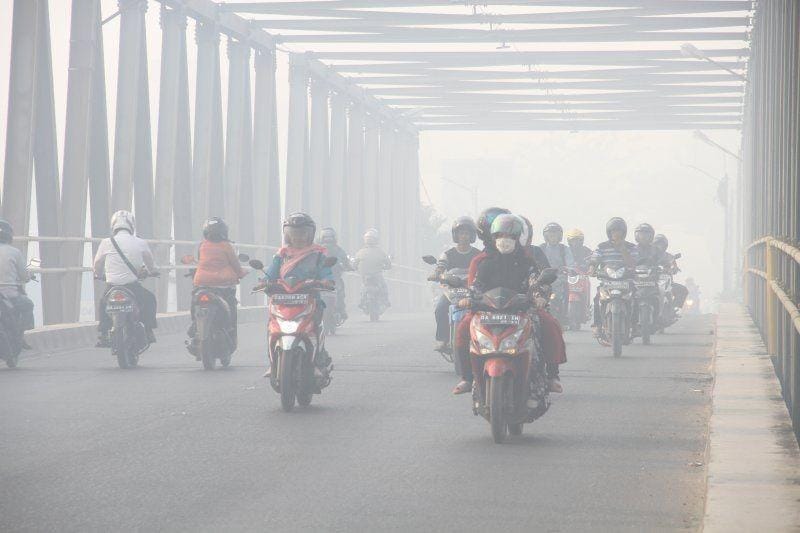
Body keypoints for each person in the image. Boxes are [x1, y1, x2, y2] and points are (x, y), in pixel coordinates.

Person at [473, 214, 566, 392]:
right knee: (464, 326)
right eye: (500, 236)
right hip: (489, 312)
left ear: (518, 239)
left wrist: (539, 297)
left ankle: (553, 374)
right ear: (494, 239)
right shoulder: (485, 263)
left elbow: (535, 281)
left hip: (522, 310)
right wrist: (469, 298)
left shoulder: (527, 262)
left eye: (509, 237)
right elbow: (476, 285)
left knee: (550, 324)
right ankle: (468, 377)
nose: (504, 241)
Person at [261, 213, 334, 376]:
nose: (298, 238)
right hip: (284, 297)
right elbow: (272, 273)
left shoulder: (318, 253)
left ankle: (318, 361)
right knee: (272, 327)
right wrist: (264, 282)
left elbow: (325, 271)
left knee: (315, 325)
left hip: (309, 296)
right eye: (294, 234)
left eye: (303, 234)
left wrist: (327, 281)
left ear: (310, 234)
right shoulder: (282, 254)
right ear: (288, 235)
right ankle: (273, 363)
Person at [93, 210, 158, 346]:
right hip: (131, 286)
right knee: (150, 299)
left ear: (113, 225)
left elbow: (97, 263)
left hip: (112, 286)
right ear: (131, 225)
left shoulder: (106, 242)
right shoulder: (140, 242)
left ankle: (103, 334)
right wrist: (153, 271)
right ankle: (148, 330)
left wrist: (98, 275)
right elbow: (150, 263)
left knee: (103, 304)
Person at [186, 217, 246, 355]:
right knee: (231, 306)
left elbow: (202, 262)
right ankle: (229, 328)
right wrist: (241, 273)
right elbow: (235, 264)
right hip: (223, 285)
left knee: (195, 301)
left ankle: (194, 323)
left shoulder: (202, 246)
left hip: (201, 283)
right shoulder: (226, 246)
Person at [428, 216, 480, 352]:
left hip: (472, 290)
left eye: (467, 233)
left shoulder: (478, 255)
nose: (464, 236)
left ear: (472, 236)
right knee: (440, 309)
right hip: (452, 290)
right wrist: (436, 274)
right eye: (461, 233)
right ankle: (443, 339)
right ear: (456, 235)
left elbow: (484, 268)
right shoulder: (448, 254)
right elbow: (441, 266)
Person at [588, 217, 638, 335]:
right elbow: (595, 259)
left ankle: (635, 325)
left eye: (619, 231)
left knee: (635, 298)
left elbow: (633, 263)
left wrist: (623, 249)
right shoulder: (602, 247)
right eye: (613, 231)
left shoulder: (631, 247)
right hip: (607, 281)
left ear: (624, 232)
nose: (616, 234)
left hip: (626, 281)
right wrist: (592, 268)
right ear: (609, 233)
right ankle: (597, 326)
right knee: (597, 299)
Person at [0, 219, 34, 348]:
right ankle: (21, 336)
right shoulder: (14, 252)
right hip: (10, 294)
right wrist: (28, 277)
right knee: (28, 304)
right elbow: (24, 276)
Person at [318, 227, 353, 321]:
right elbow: (346, 263)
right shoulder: (338, 250)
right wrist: (349, 267)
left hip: (320, 279)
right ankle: (342, 310)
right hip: (333, 278)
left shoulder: (317, 249)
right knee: (340, 293)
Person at [353, 228, 392, 310]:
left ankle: (361, 301)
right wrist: (386, 267)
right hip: (377, 274)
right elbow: (388, 264)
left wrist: (355, 268)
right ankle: (386, 301)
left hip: (365, 275)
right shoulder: (380, 252)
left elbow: (354, 264)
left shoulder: (360, 252)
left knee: (363, 286)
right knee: (384, 286)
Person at [654, 234, 689, 309]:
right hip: (652, 282)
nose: (659, 246)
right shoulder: (649, 255)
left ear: (665, 246)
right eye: (657, 244)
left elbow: (674, 266)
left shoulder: (669, 256)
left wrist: (674, 269)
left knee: (683, 290)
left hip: (667, 283)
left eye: (661, 244)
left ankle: (673, 308)